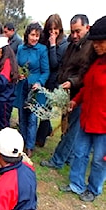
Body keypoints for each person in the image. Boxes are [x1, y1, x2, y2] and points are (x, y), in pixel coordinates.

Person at [59, 16, 106, 202]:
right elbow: (87, 87)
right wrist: (76, 101)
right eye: (94, 42)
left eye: (101, 42)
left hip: (103, 124)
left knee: (99, 160)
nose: (96, 45)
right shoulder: (96, 63)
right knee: (79, 153)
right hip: (87, 118)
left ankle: (93, 189)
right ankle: (76, 184)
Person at [40, 14, 96, 169]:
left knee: (72, 129)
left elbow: (85, 72)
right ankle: (68, 158)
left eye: (78, 31)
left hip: (80, 94)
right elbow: (65, 64)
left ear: (87, 28)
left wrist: (72, 82)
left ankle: (57, 160)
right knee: (69, 127)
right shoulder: (72, 44)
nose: (75, 35)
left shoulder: (91, 47)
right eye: (72, 32)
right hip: (68, 92)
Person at [15, 22, 50, 157]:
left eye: (37, 35)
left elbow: (45, 71)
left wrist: (39, 82)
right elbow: (17, 66)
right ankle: (22, 142)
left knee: (32, 118)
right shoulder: (20, 48)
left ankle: (30, 146)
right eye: (33, 35)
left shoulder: (42, 50)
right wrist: (18, 74)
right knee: (22, 116)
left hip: (35, 88)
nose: (35, 38)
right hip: (22, 86)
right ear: (27, 35)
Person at [36, 14, 69, 147]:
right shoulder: (44, 40)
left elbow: (54, 64)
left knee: (45, 110)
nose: (52, 32)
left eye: (55, 29)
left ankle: (41, 138)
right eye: (50, 29)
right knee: (40, 107)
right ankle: (47, 130)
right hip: (43, 77)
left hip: (53, 80)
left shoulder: (64, 44)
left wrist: (53, 45)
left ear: (60, 29)